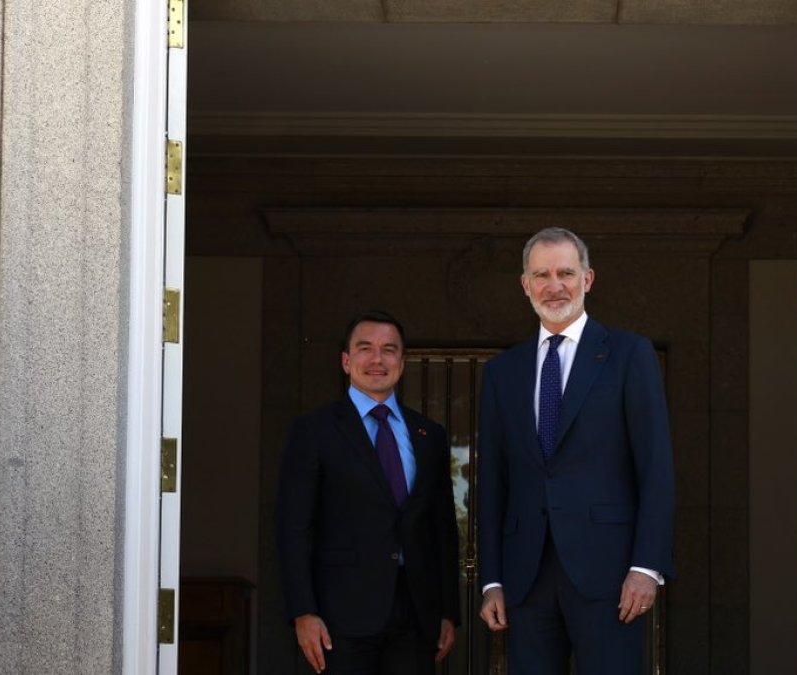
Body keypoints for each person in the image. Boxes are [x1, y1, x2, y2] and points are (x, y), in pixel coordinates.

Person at [477, 227, 675, 675]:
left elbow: (656, 468)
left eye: (566, 273)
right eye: (541, 275)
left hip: (610, 574)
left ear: (588, 279)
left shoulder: (629, 354)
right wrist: (492, 580)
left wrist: (647, 566)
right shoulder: (503, 372)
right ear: (525, 284)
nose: (555, 286)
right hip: (525, 577)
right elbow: (491, 483)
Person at [278, 310, 460, 674]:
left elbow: (442, 527)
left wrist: (448, 611)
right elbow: (293, 527)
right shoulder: (314, 430)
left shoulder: (429, 435)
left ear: (402, 363)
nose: (377, 359)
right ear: (346, 362)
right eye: (365, 348)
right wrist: (303, 611)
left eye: (389, 350)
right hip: (340, 616)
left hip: (416, 614)